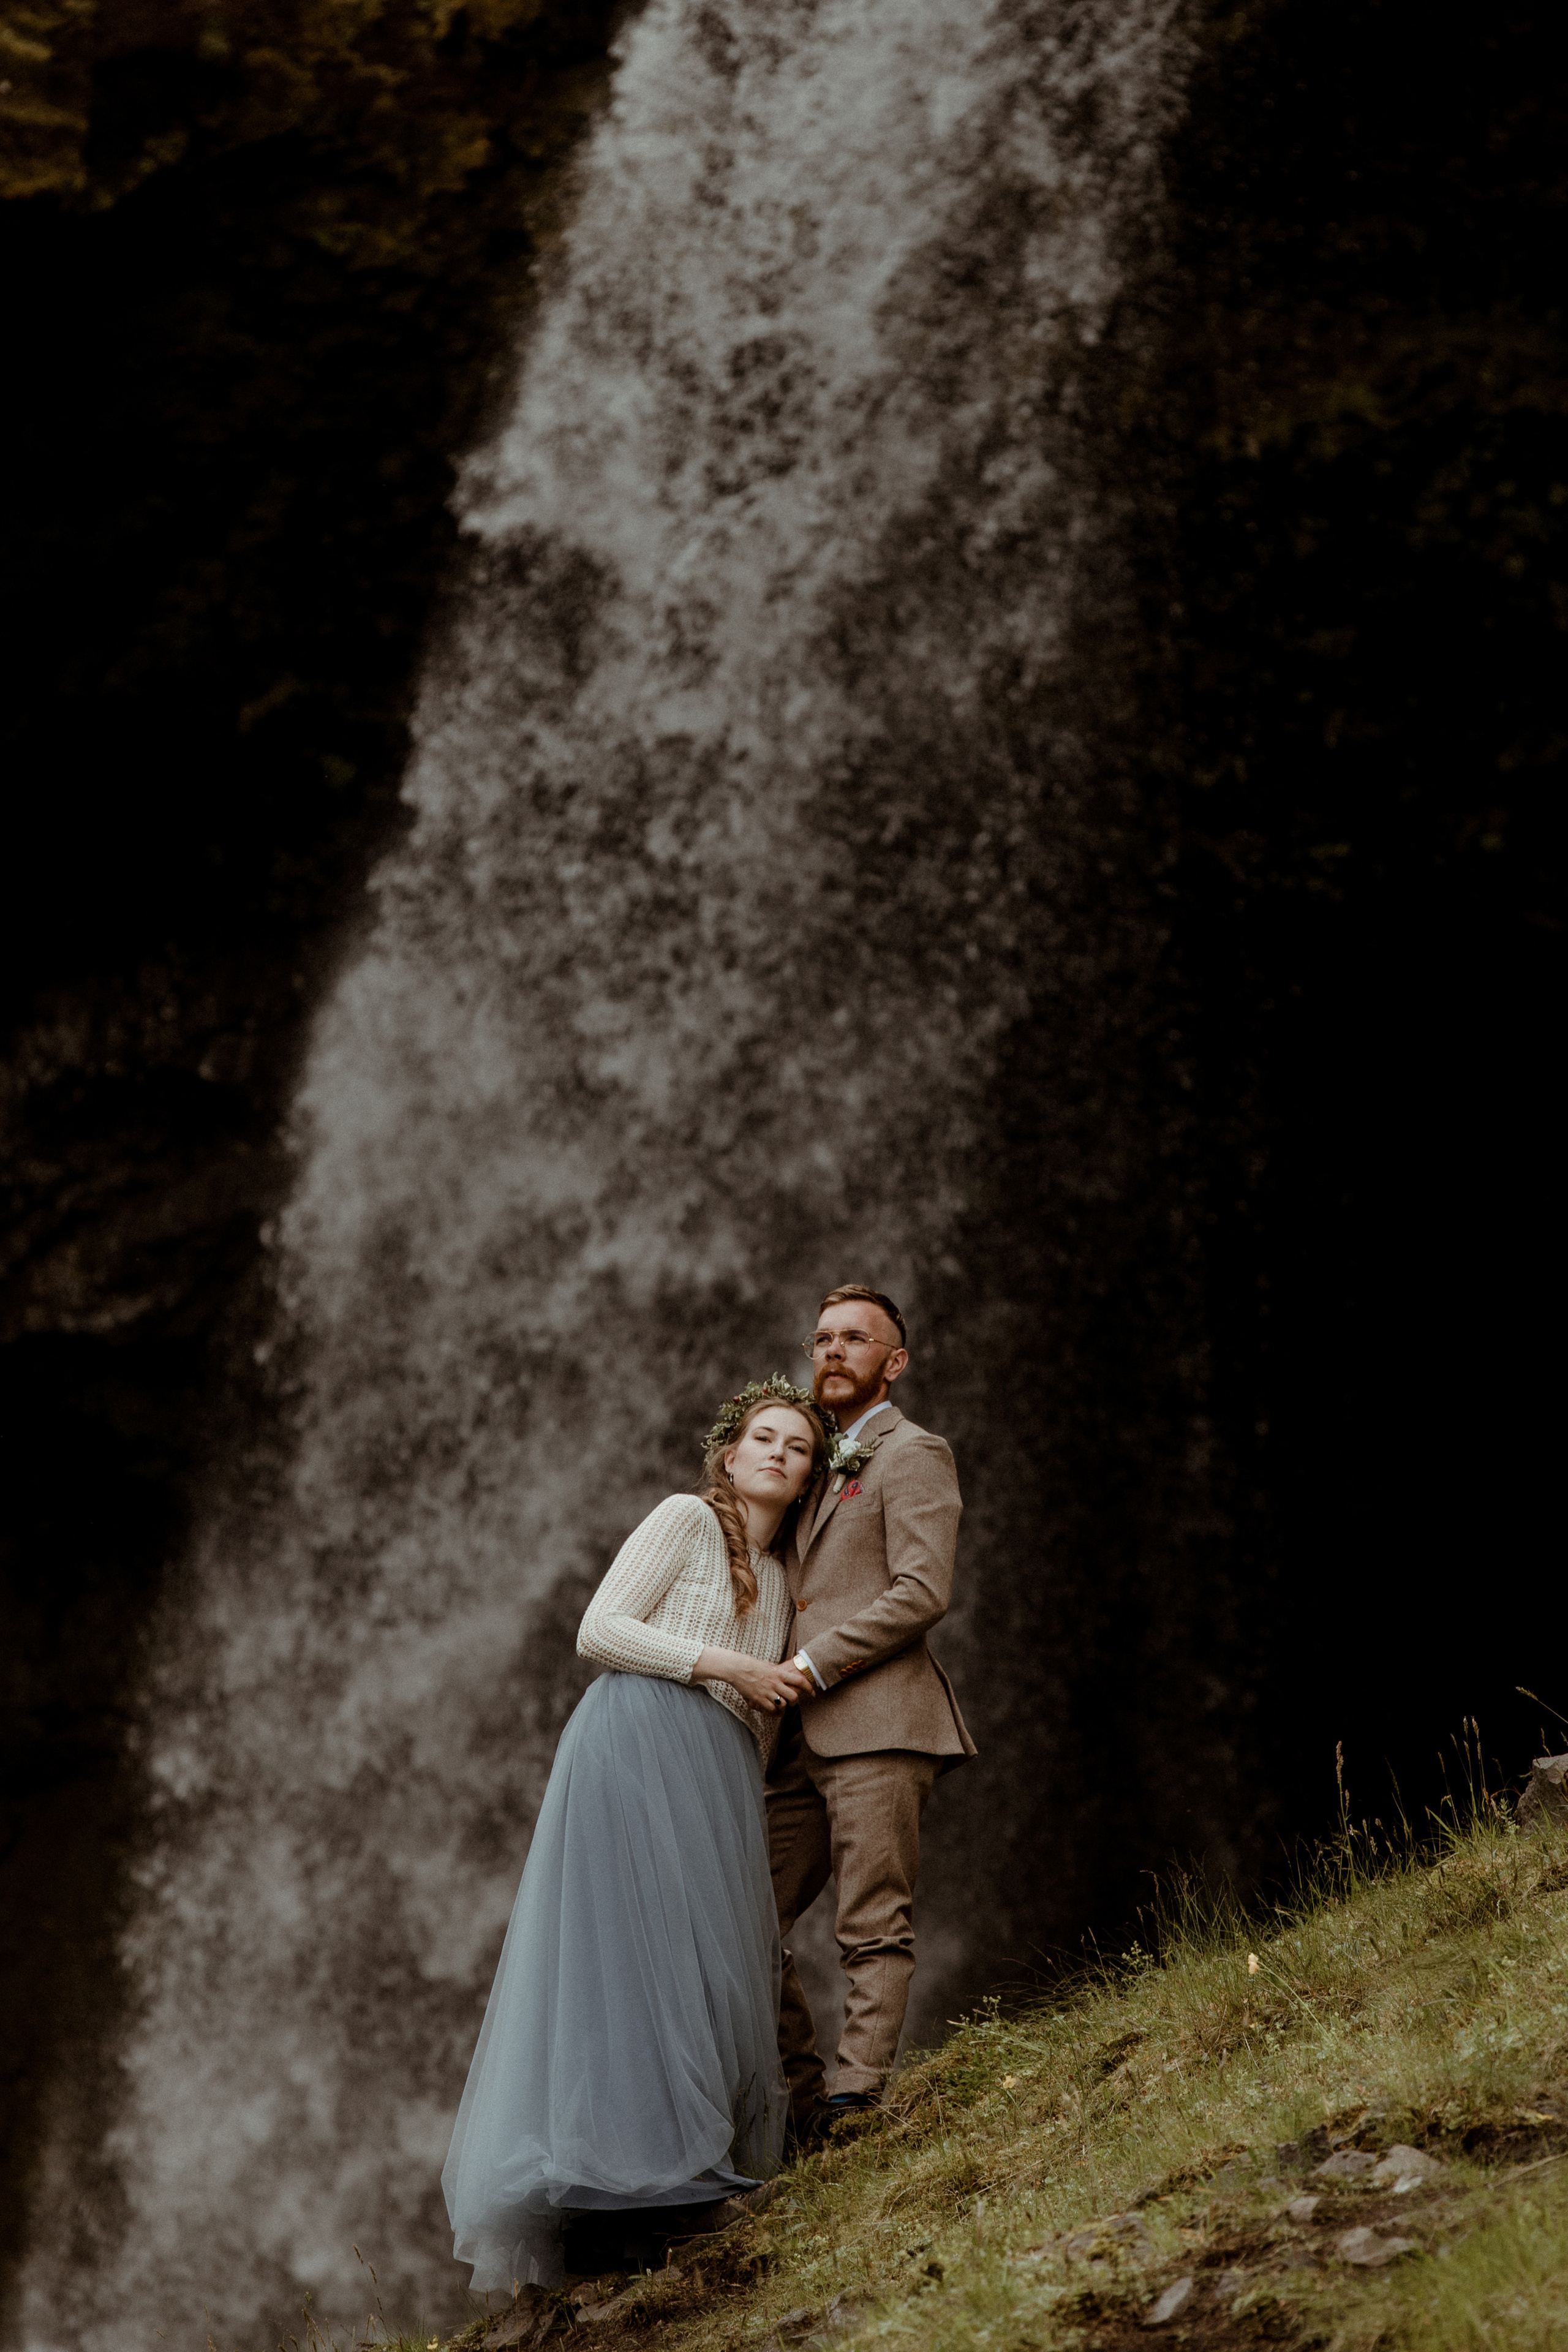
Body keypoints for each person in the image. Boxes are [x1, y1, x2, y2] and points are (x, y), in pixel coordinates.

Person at [442, 1379, 827, 2290]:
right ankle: (618, 2176)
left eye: (799, 1446)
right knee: (632, 1953)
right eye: (763, 1438)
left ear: (812, 1476)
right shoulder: (686, 1520)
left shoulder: (784, 1580)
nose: (778, 1452)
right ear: (729, 1455)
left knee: (699, 1962)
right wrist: (726, 1663)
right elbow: (599, 1629)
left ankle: (673, 2176)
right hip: (639, 1737)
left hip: (718, 1768)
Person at [767, 1285, 975, 2135]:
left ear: (895, 1362)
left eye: (855, 1339)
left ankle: (857, 2103)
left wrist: (811, 1665)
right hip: (791, 1737)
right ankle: (804, 2096)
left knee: (871, 1919)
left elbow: (923, 1591)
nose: (833, 1352)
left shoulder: (914, 1452)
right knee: (741, 1916)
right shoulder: (805, 1464)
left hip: (880, 1723)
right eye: (821, 1339)